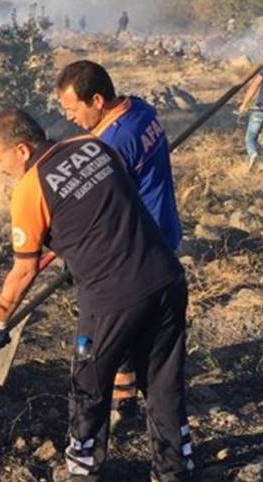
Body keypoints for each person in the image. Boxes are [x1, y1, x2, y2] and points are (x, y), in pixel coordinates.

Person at [0, 109, 194, 482]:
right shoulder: (93, 145)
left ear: (22, 150)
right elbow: (108, 205)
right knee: (163, 382)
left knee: (89, 385)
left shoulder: (30, 190)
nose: (0, 167)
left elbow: (24, 269)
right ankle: (174, 475)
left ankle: (82, 475)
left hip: (111, 299)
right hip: (166, 277)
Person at [54, 60, 182, 432]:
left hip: (138, 248)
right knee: (141, 328)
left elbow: (95, 210)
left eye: (73, 109)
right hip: (163, 234)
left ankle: (121, 406)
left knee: (116, 328)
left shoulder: (111, 146)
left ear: (97, 100)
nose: (70, 118)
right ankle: (125, 400)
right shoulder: (141, 109)